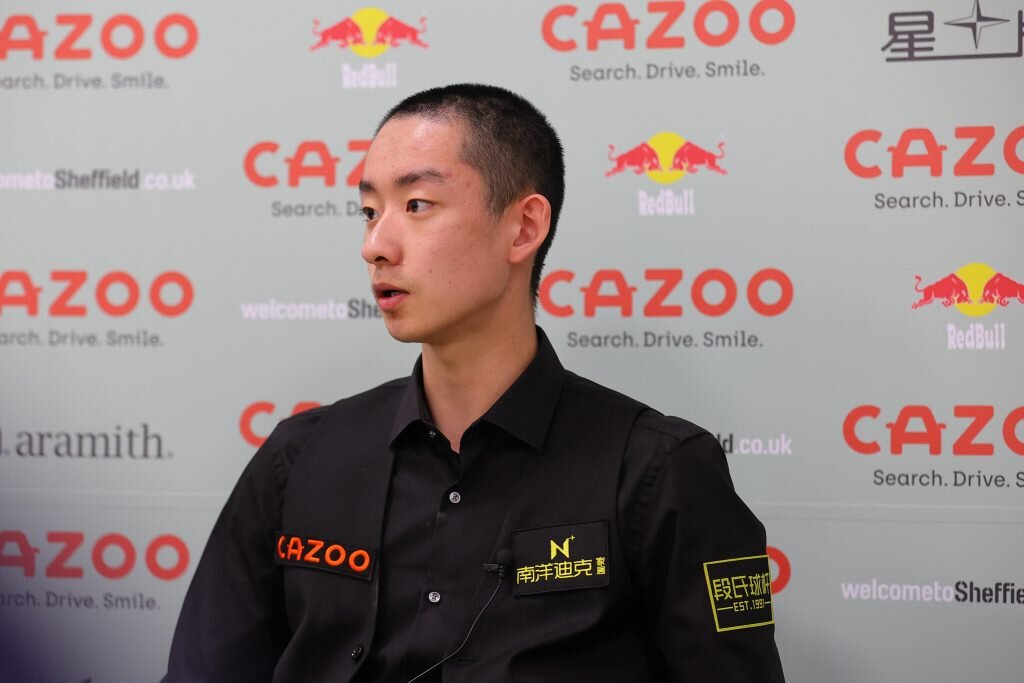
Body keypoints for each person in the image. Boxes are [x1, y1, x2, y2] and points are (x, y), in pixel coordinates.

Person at [163, 83, 786, 682]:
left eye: (417, 205)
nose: (375, 246)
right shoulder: (298, 458)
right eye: (369, 212)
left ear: (524, 228)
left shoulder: (658, 471)